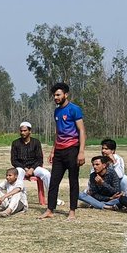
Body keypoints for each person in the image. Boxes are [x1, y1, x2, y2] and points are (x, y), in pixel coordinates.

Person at [39, 82, 86, 220]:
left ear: (66, 95)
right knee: (54, 181)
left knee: (73, 181)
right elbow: (58, 132)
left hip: (72, 149)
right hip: (59, 151)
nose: (56, 97)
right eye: (54, 95)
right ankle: (50, 209)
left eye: (58, 95)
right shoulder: (57, 111)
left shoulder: (74, 109)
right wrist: (53, 150)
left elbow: (82, 130)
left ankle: (72, 211)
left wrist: (81, 151)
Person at [11, 121, 50, 205]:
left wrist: (32, 169)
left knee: (46, 174)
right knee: (18, 173)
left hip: (34, 167)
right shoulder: (15, 143)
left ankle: (52, 198)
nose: (23, 133)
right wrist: (24, 169)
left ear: (30, 131)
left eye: (25, 131)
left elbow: (39, 159)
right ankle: (18, 200)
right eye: (21, 131)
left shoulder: (36, 142)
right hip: (21, 167)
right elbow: (14, 160)